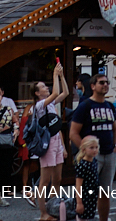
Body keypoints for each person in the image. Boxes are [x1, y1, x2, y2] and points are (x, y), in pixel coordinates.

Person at [69, 75, 116, 219]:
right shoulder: (85, 106)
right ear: (93, 86)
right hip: (93, 156)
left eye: (107, 82)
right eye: (101, 83)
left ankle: (103, 218)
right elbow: (73, 133)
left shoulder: (110, 106)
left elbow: (114, 129)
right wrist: (86, 152)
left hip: (109, 154)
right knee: (88, 191)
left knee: (105, 192)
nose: (105, 85)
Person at [32, 64, 68, 221]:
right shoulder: (40, 105)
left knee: (57, 179)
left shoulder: (51, 104)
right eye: (42, 87)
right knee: (45, 180)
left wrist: (61, 76)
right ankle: (42, 213)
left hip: (56, 141)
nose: (46, 88)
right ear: (37, 93)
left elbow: (65, 92)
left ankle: (52, 208)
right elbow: (55, 93)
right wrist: (54, 74)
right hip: (47, 144)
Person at [74, 136, 100, 220]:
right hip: (85, 197)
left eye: (96, 147)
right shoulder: (83, 165)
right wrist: (79, 203)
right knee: (82, 217)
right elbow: (78, 186)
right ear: (84, 149)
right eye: (91, 148)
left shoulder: (94, 161)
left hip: (92, 196)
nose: (95, 150)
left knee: (89, 217)